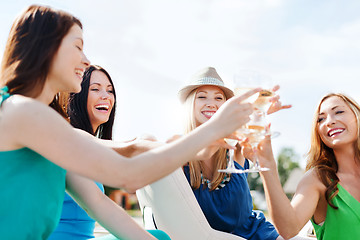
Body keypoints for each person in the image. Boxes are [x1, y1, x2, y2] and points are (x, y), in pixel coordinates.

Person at [0, 5, 259, 239]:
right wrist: (214, 128)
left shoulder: (50, 128)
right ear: (46, 48)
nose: (86, 60)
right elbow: (127, 175)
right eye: (78, 46)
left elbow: (101, 205)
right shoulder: (22, 111)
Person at [49, 65, 169, 239]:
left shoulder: (92, 150)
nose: (106, 96)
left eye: (110, 90)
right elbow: (129, 151)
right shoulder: (70, 140)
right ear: (76, 96)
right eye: (95, 89)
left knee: (158, 235)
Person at [178, 66, 290, 240]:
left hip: (256, 234)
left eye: (218, 98)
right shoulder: (179, 150)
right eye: (202, 97)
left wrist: (259, 109)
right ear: (190, 104)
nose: (211, 103)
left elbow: (249, 126)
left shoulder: (236, 146)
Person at [254, 93, 360, 240]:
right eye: (320, 119)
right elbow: (288, 229)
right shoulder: (317, 179)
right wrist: (267, 164)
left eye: (339, 112)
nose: (329, 122)